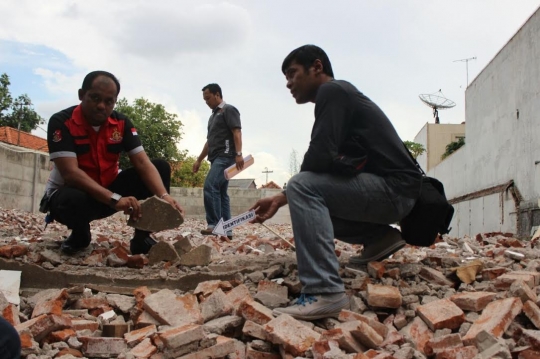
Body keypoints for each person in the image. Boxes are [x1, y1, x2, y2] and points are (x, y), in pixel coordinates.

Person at [249, 45, 422, 320]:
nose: (288, 83)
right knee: (305, 189)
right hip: (397, 191)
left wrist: (285, 194)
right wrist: (283, 197)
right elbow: (330, 164)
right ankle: (379, 238)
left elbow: (319, 152)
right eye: (285, 78)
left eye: (292, 74)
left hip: (395, 189)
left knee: (301, 185)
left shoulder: (334, 91)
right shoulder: (339, 99)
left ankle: (324, 291)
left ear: (316, 67)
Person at [41, 71, 184, 255]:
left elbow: (142, 162)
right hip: (74, 198)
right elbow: (71, 174)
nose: (101, 106)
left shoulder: (121, 123)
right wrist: (115, 199)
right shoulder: (61, 122)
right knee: (72, 199)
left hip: (109, 193)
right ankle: (80, 235)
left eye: (109, 101)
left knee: (160, 167)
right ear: (81, 94)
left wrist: (164, 196)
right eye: (95, 98)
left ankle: (142, 238)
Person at [193, 84, 244, 239]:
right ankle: (227, 230)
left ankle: (214, 225)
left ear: (217, 94)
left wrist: (239, 154)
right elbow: (209, 142)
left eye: (208, 98)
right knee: (221, 193)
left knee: (211, 186)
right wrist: (199, 160)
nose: (206, 102)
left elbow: (237, 131)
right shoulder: (213, 117)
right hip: (215, 158)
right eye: (204, 99)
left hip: (226, 156)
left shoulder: (228, 110)